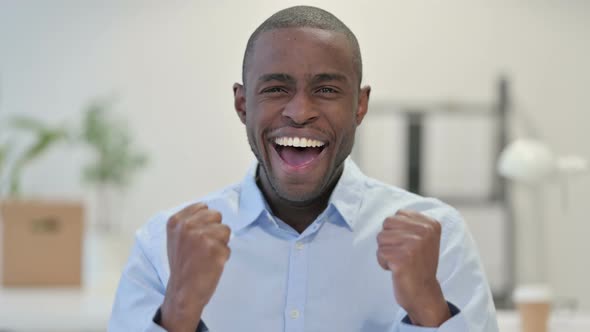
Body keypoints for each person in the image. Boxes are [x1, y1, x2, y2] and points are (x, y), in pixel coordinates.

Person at [109, 5, 498, 332]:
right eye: (276, 88)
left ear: (359, 106)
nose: (299, 112)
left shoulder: (439, 237)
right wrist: (178, 309)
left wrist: (428, 308)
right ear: (243, 105)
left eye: (326, 90)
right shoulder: (162, 244)